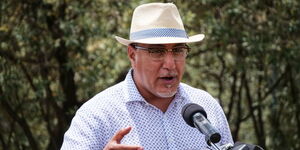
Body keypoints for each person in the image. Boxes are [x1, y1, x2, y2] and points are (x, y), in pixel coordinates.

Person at [61, 2, 233, 150]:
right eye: (157, 51)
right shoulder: (97, 115)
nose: (170, 64)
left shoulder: (207, 107)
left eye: (178, 50)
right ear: (132, 55)